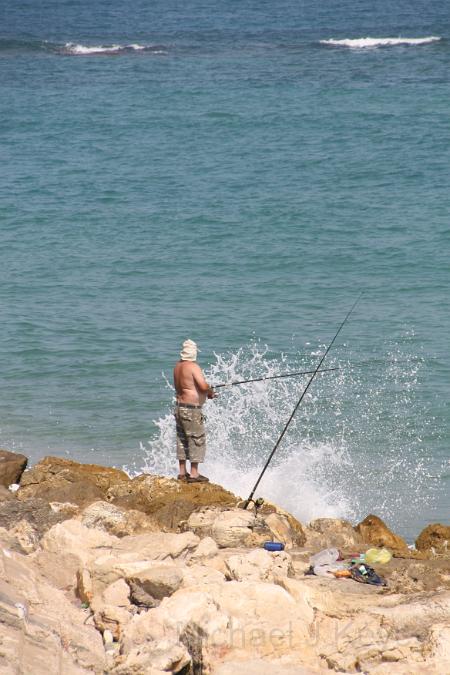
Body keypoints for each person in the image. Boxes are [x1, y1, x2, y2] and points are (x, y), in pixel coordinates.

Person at [173, 339, 216, 482]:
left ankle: (181, 472)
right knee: (196, 439)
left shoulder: (177, 366)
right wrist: (210, 391)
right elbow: (202, 386)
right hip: (191, 410)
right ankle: (194, 473)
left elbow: (187, 387)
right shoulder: (193, 366)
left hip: (179, 407)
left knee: (182, 439)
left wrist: (206, 393)